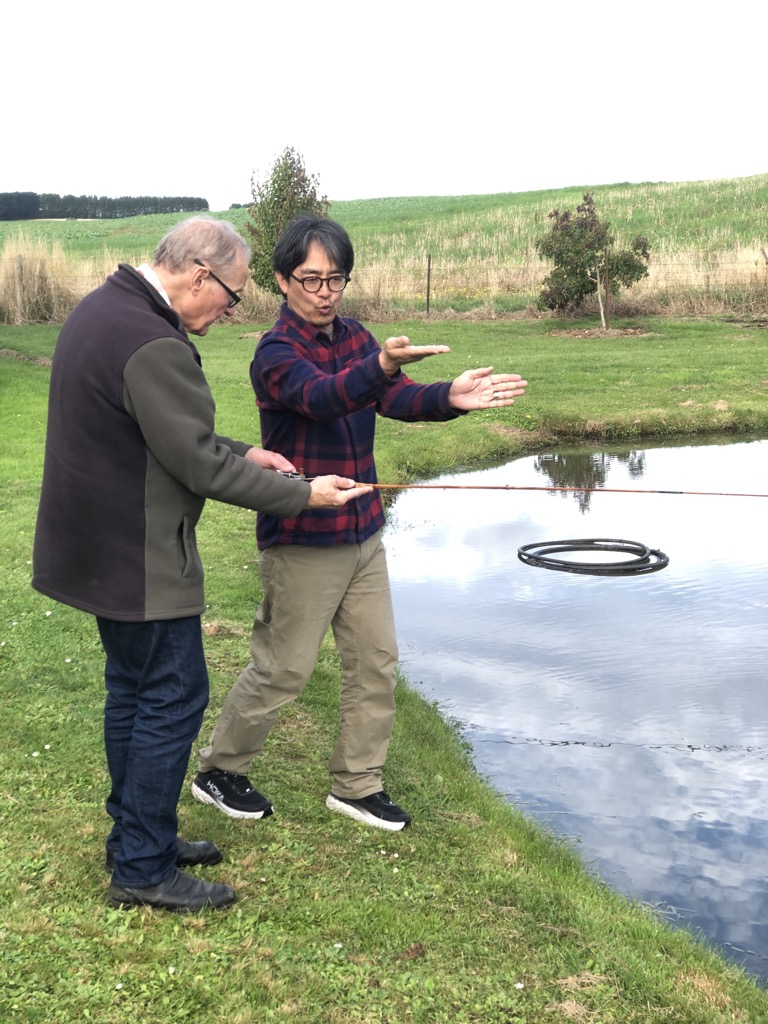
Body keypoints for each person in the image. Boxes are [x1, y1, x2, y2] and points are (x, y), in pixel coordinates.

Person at [31, 216, 371, 912]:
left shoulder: (106, 309)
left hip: (97, 547)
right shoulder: (154, 341)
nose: (230, 308)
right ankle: (143, 867)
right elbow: (192, 461)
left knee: (132, 690)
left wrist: (244, 450)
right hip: (139, 555)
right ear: (197, 273)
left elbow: (167, 428)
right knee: (172, 696)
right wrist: (302, 493)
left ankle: (135, 835)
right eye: (232, 294)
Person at [193, 215, 528, 831]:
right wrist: (379, 367)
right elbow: (323, 396)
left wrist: (446, 398)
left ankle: (357, 784)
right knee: (284, 668)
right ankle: (218, 770)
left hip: (363, 535)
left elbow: (390, 398)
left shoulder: (356, 337)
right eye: (311, 279)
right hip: (302, 538)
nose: (324, 292)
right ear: (281, 280)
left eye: (335, 279)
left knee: (376, 661)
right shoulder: (275, 353)